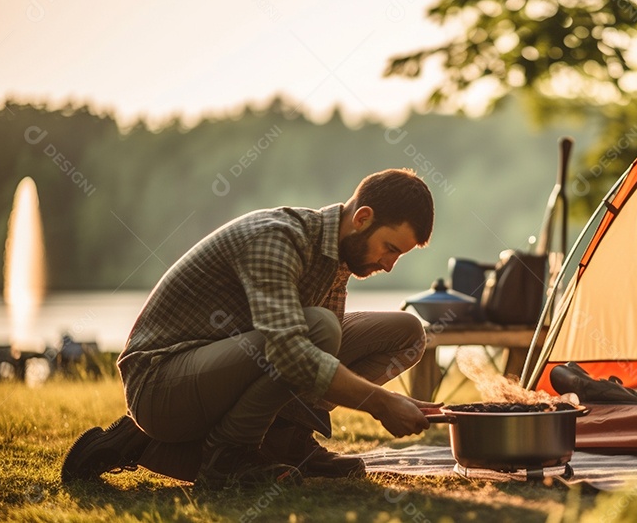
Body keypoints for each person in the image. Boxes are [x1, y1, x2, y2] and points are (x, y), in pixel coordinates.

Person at [62, 168, 440, 489]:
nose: (389, 265)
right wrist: (380, 402)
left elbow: (312, 361)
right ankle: (227, 457)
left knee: (406, 332)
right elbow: (291, 352)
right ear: (362, 218)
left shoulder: (340, 256)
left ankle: (286, 440)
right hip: (161, 384)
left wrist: (389, 401)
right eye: (390, 248)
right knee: (318, 329)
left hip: (229, 368)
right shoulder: (277, 238)